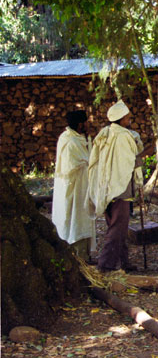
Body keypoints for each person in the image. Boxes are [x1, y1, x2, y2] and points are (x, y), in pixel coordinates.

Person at [88, 100, 153, 272]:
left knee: (117, 227)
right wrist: (147, 153)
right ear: (121, 118)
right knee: (117, 228)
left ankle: (124, 262)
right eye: (127, 117)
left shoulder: (105, 133)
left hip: (106, 187)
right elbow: (128, 163)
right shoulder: (123, 136)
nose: (129, 119)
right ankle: (105, 265)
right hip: (120, 188)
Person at [51, 110, 95, 261]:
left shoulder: (79, 138)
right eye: (85, 122)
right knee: (74, 220)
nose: (88, 125)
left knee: (83, 217)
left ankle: (86, 255)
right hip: (73, 187)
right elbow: (73, 164)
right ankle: (77, 257)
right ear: (80, 124)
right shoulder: (70, 141)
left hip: (82, 186)